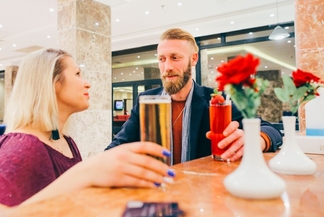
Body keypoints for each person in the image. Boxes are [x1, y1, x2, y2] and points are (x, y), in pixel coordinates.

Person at [0, 48, 175, 208]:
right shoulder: (23, 147)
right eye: (77, 74)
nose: (87, 84)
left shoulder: (67, 142)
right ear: (53, 83)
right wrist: (86, 173)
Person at [106, 28, 283, 164]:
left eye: (175, 58)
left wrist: (257, 140)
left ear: (194, 59)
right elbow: (117, 146)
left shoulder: (215, 100)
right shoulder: (147, 101)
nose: (167, 66)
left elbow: (272, 131)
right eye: (162, 59)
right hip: (156, 191)